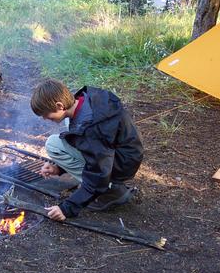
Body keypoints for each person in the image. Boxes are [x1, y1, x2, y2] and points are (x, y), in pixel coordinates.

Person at [30, 79, 144, 221]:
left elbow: (99, 171)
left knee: (53, 144)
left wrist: (67, 208)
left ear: (59, 106)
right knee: (67, 125)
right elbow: (94, 148)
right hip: (126, 154)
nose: (45, 119)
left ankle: (110, 190)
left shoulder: (91, 128)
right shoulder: (87, 98)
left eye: (46, 115)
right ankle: (106, 185)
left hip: (121, 164)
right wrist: (59, 168)